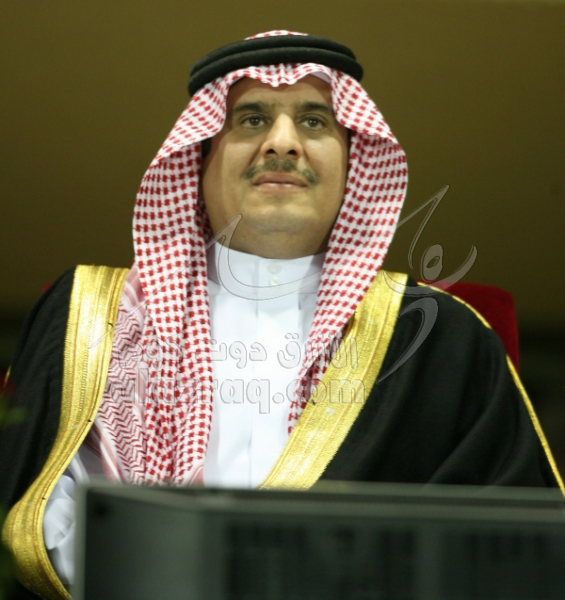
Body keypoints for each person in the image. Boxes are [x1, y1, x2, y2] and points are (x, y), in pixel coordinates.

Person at [1, 30, 562, 600]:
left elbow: (506, 547)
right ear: (198, 159)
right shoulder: (91, 315)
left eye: (314, 122)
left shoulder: (439, 336)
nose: (283, 143)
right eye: (251, 120)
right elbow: (31, 511)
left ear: (355, 163)